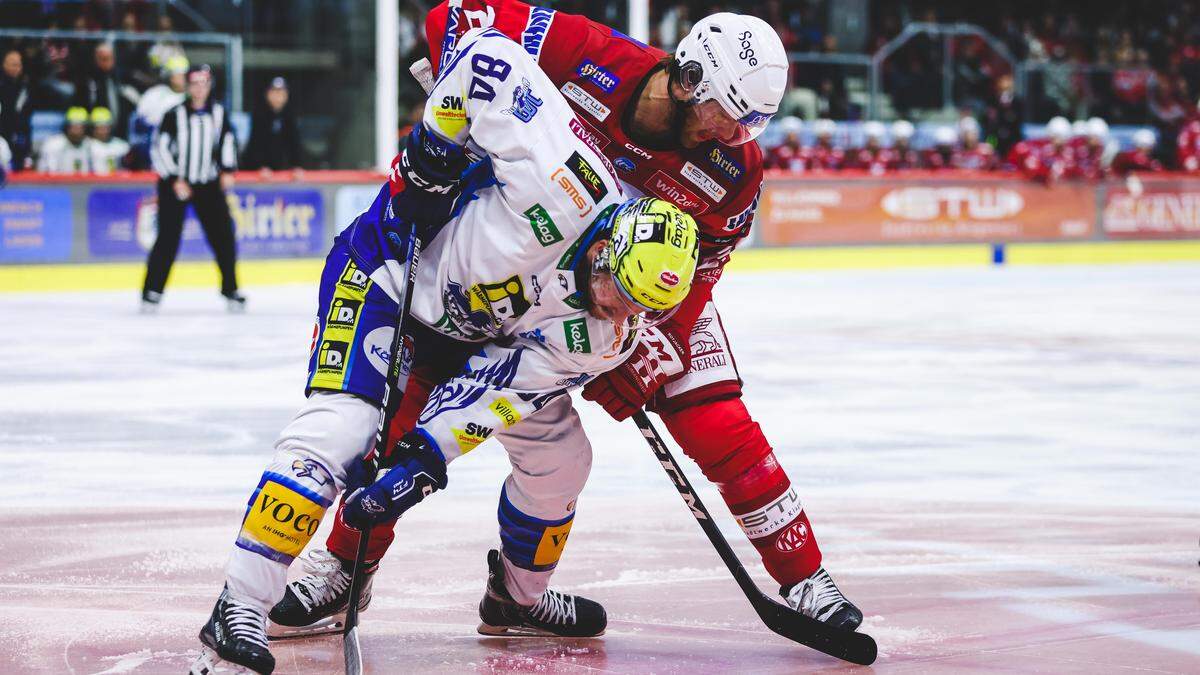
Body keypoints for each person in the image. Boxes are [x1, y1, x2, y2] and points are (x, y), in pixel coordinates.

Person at [282, 1, 864, 638]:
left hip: (633, 295)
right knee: (405, 406)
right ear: (690, 77)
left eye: (750, 126)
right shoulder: (582, 48)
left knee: (716, 419)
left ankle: (803, 574)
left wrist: (653, 343)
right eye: (727, 117)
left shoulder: (736, 170)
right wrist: (460, 110)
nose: (733, 139)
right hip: (502, 259)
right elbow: (454, 15)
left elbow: (703, 271)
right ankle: (344, 566)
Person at [190, 26, 700, 673]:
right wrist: (431, 150)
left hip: (472, 337)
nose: (616, 310)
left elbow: (504, 385)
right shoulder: (565, 176)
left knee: (562, 456)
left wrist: (424, 457)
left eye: (637, 306)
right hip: (384, 275)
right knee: (342, 431)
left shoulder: (610, 334)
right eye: (615, 286)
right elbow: (488, 58)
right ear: (611, 240)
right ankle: (239, 602)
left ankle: (518, 599)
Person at [144, 65, 244, 312]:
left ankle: (231, 289)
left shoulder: (219, 113)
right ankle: (152, 292)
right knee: (167, 238)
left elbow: (228, 141)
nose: (199, 89)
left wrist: (228, 170)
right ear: (187, 87)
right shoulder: (174, 114)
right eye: (194, 83)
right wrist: (175, 179)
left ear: (209, 86)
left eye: (204, 83)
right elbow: (160, 148)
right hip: (176, 183)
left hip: (208, 183)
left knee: (223, 236)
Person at [242, 76, 303, 171]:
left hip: (283, 171)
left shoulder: (289, 116)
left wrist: (296, 165)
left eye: (281, 93)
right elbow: (255, 144)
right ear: (267, 94)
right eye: (274, 92)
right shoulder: (259, 115)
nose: (278, 97)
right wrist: (260, 166)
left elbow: (294, 144)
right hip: (259, 172)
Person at [73, 42, 134, 136]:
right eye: (102, 59)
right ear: (95, 59)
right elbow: (82, 107)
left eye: (109, 58)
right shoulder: (86, 81)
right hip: (95, 135)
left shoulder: (121, 78)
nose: (106, 62)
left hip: (119, 132)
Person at [1, 49, 33, 171]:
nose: (17, 68)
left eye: (19, 65)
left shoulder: (24, 84)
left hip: (19, 132)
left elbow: (27, 115)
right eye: (13, 64)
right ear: (4, 64)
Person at [135, 55, 189, 128]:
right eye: (179, 74)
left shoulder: (192, 96)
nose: (183, 78)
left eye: (185, 74)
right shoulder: (155, 93)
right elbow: (139, 115)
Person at [36, 106, 92, 174]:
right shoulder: (53, 145)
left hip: (85, 183)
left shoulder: (90, 145)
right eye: (74, 126)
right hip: (58, 183)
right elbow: (49, 175)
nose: (77, 131)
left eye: (81, 126)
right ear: (67, 127)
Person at [87, 107, 130, 174]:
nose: (104, 130)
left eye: (106, 125)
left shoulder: (122, 145)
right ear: (93, 128)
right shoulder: (87, 146)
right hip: (94, 182)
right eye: (100, 126)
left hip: (117, 182)